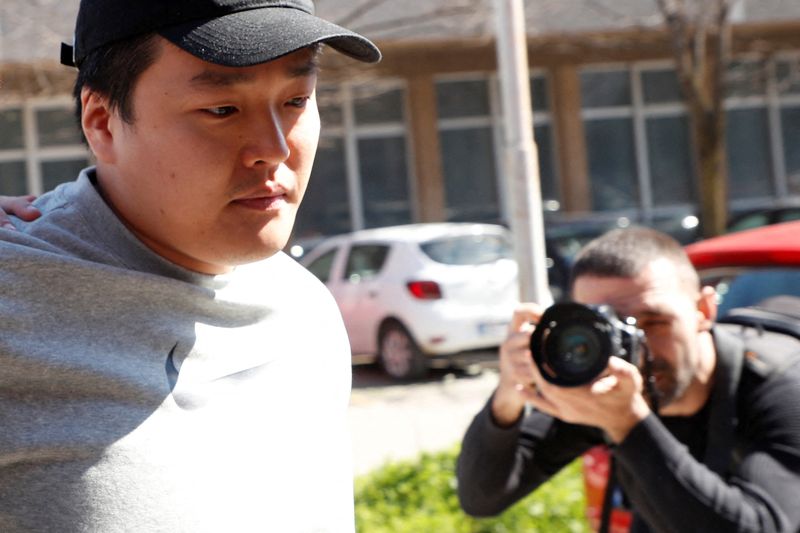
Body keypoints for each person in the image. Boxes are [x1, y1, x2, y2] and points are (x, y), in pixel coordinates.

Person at [0, 1, 379, 531]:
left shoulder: (306, 308)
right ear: (102, 121)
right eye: (223, 109)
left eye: (296, 100)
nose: (273, 149)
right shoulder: (13, 310)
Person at [457, 227, 800, 532]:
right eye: (606, 329)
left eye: (653, 323)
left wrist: (629, 426)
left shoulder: (780, 388)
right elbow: (483, 497)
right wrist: (508, 397)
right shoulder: (608, 387)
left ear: (704, 312)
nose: (634, 349)